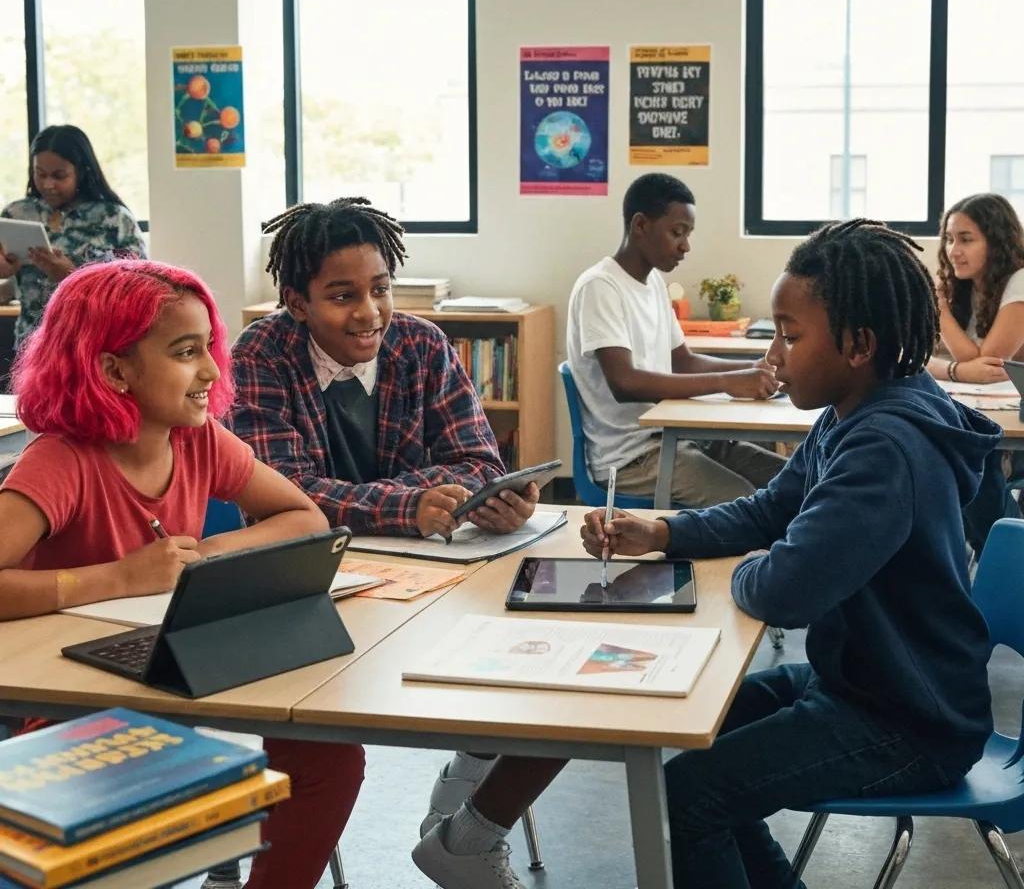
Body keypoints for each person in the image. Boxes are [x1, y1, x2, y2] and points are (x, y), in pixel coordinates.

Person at [574, 218, 999, 889]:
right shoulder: (851, 414)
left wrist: (739, 572)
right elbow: (774, 509)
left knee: (690, 797)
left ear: (858, 344)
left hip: (911, 718)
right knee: (698, 736)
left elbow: (784, 592)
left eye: (790, 336)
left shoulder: (885, 447)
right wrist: (664, 534)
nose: (776, 353)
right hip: (866, 682)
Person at [0, 259, 364, 889]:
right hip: (74, 705)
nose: (212, 371)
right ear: (114, 369)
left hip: (169, 668)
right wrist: (118, 577)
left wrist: (203, 560)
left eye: (209, 348)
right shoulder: (60, 461)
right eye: (185, 352)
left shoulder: (195, 439)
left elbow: (303, 518)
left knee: (330, 759)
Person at [227, 197, 539, 538]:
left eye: (380, 289)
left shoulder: (422, 344)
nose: (370, 312)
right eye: (343, 297)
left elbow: (480, 465)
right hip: (302, 558)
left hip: (418, 559)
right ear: (298, 303)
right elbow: (284, 494)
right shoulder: (261, 355)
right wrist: (407, 505)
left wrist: (495, 504)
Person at [566, 172, 784, 508]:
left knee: (788, 477)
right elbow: (625, 383)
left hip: (673, 436)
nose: (685, 245)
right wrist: (727, 381)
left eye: (688, 234)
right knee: (749, 503)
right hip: (631, 459)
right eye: (676, 232)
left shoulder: (651, 283)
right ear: (640, 226)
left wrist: (752, 369)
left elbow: (683, 361)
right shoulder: (601, 287)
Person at [0, 125, 147, 348]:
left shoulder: (114, 219)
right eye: (40, 174)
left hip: (94, 345)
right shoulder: (16, 214)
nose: (48, 184)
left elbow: (139, 288)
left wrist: (71, 276)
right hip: (32, 348)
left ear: (82, 171)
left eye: (59, 176)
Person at [926, 191, 1024, 384]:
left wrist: (939, 308)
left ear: (997, 243)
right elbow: (913, 356)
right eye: (949, 239)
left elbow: (986, 365)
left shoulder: (1021, 280)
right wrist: (954, 369)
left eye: (966, 240)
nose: (953, 252)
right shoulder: (965, 285)